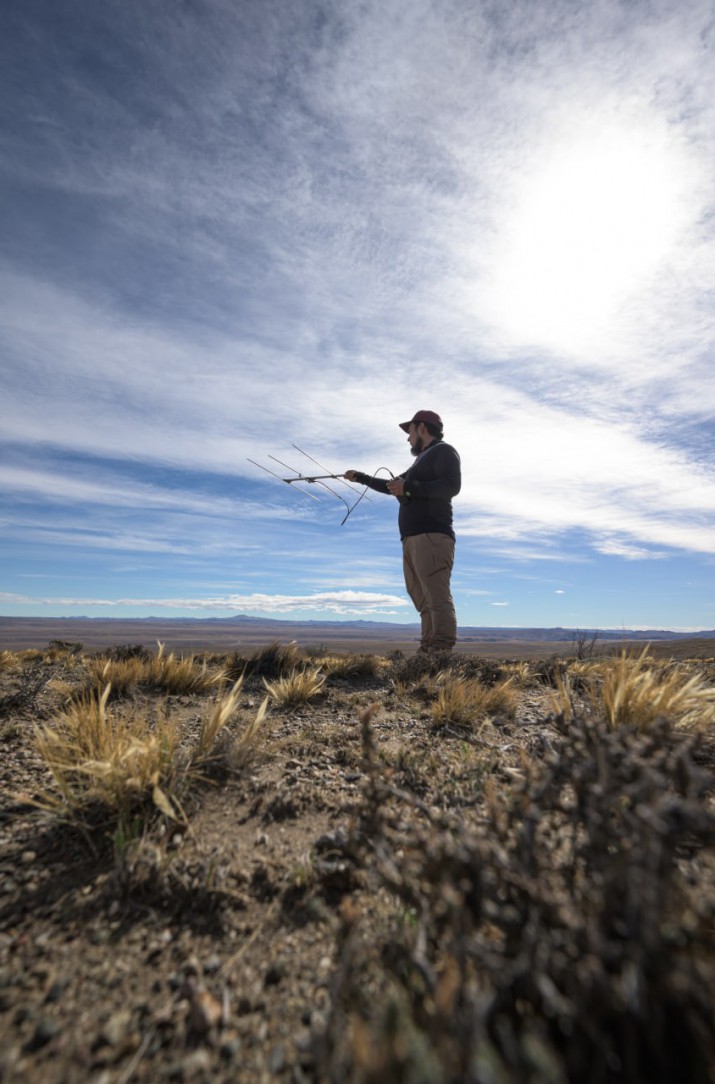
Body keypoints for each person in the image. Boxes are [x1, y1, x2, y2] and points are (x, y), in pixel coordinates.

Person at [345, 410, 461, 654]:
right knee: (420, 596)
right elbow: (392, 487)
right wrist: (361, 478)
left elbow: (452, 486)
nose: (407, 438)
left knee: (436, 594)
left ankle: (440, 651)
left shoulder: (444, 451)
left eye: (409, 432)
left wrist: (409, 486)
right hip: (412, 538)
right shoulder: (420, 461)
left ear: (421, 428)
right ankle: (428, 650)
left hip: (431, 535)